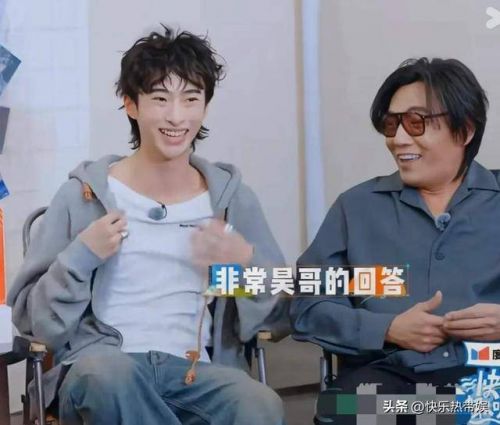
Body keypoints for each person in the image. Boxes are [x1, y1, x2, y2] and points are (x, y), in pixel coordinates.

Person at [7, 25, 288, 425]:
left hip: (199, 373)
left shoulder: (231, 202)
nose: (176, 116)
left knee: (259, 403)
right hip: (104, 365)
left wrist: (243, 262)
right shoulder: (82, 198)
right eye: (160, 98)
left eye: (190, 98)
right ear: (131, 104)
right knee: (107, 376)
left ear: (205, 107)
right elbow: (33, 323)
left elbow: (274, 318)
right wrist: (81, 256)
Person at [291, 57, 496, 401]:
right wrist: (387, 328)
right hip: (388, 375)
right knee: (346, 410)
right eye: (391, 124)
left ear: (465, 130)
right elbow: (308, 307)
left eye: (416, 123)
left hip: (489, 368)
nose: (398, 139)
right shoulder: (356, 207)